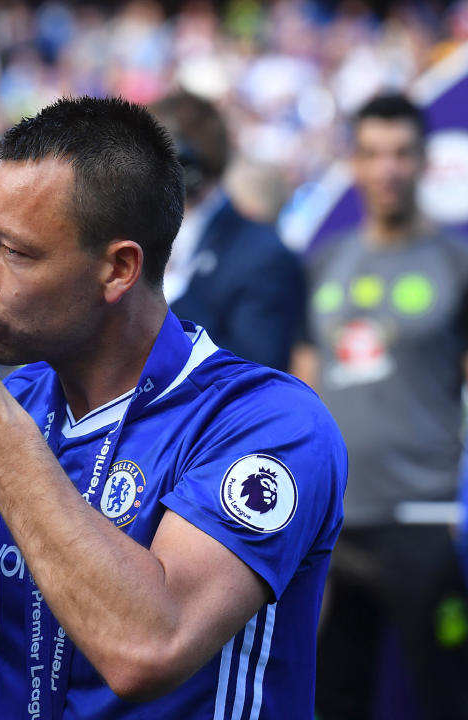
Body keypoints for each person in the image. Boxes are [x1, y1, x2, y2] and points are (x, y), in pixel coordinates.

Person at [0, 97, 347, 718]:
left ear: (118, 269)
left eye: (15, 251)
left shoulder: (268, 424)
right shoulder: (15, 400)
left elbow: (149, 646)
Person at [292, 94, 468, 719]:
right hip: (336, 525)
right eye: (371, 154)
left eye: (400, 154)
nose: (386, 169)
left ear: (424, 161)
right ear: (355, 162)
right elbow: (303, 389)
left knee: (446, 695)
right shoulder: (325, 264)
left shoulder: (455, 264)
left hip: (427, 518)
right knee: (333, 698)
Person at [152, 91, 304, 371]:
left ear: (186, 165)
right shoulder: (134, 239)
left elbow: (255, 368)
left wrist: (165, 297)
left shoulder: (262, 254)